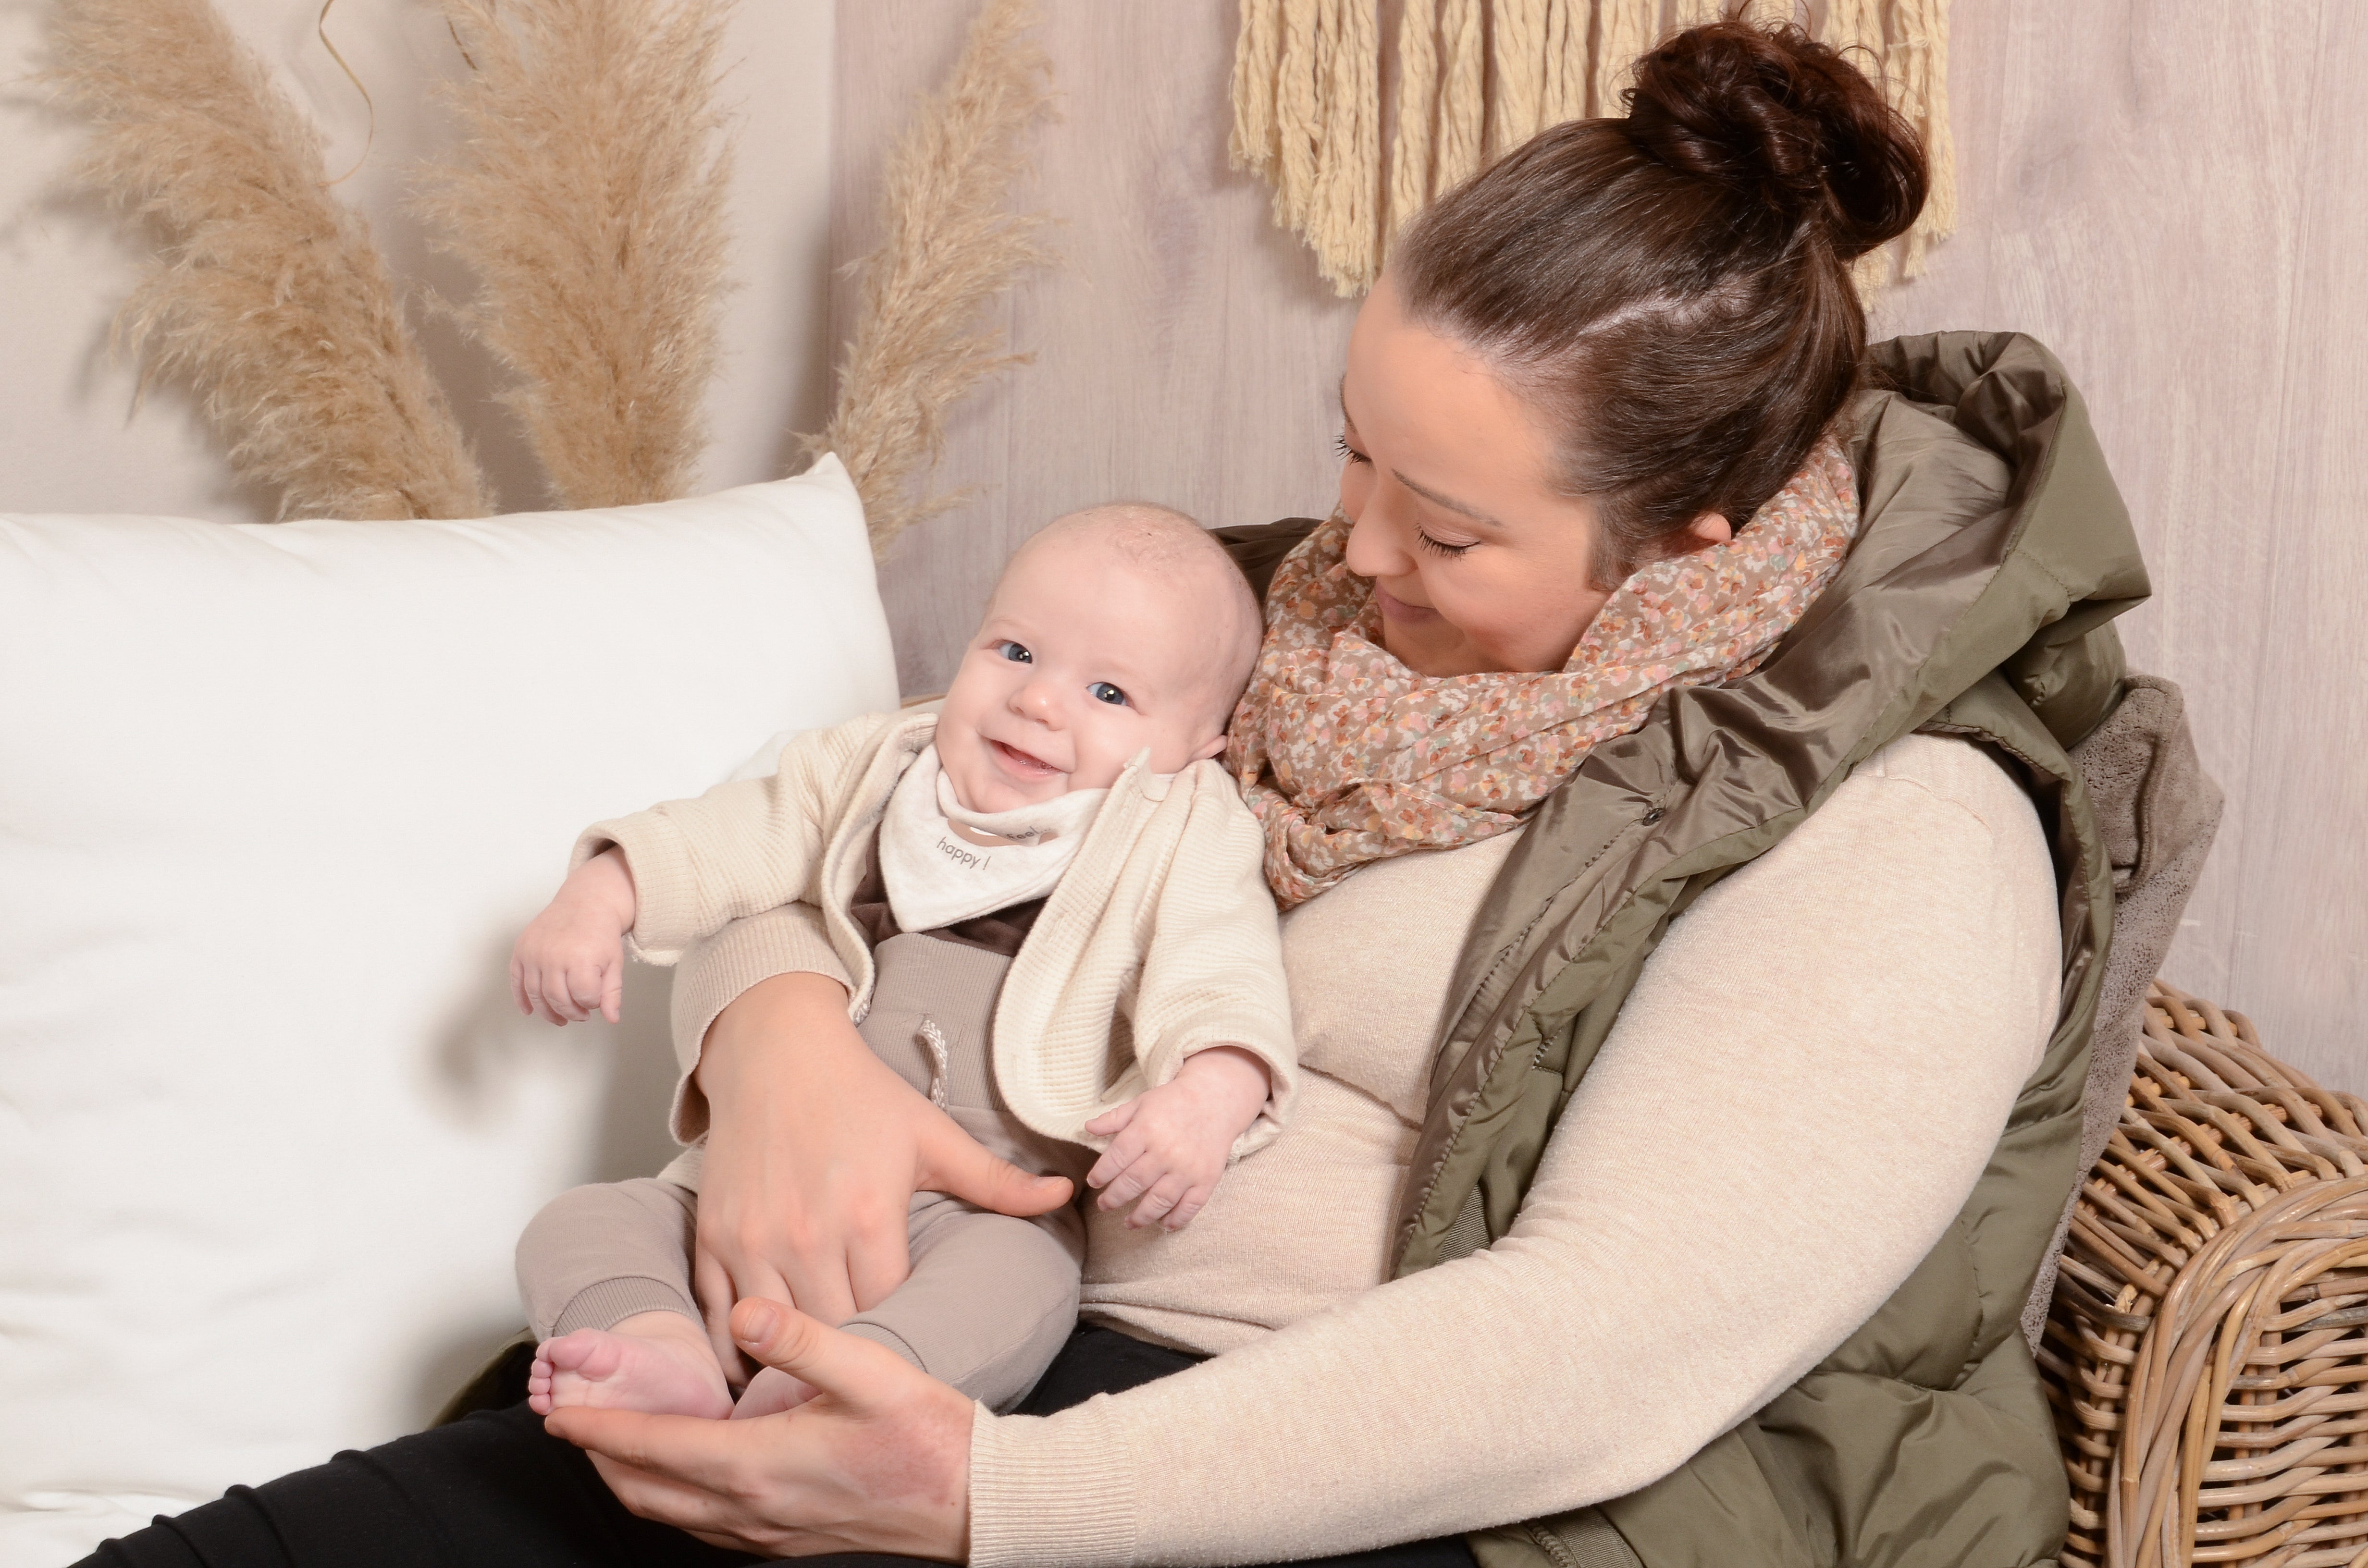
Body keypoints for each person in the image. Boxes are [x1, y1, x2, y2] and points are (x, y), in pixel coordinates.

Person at [76, 20, 2147, 1568]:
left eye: (1438, 523)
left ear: (1692, 536)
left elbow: (1598, 1350)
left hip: (1259, 1489)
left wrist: (983, 1495)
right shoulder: (1281, 636)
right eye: (1346, 451)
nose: (1346, 546)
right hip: (903, 1334)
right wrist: (774, 1029)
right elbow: (884, 815)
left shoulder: (1894, 832)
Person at [506, 502, 1293, 1423]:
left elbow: (1224, 970)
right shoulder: (883, 765)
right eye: (1017, 652)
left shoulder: (1184, 828)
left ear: (1202, 746)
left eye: (1109, 694)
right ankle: (660, 1347)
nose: (1038, 701)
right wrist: (605, 892)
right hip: (763, 1163)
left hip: (981, 1202)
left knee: (1020, 1287)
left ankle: (847, 1383)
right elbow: (737, 835)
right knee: (582, 1224)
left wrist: (1211, 1094)